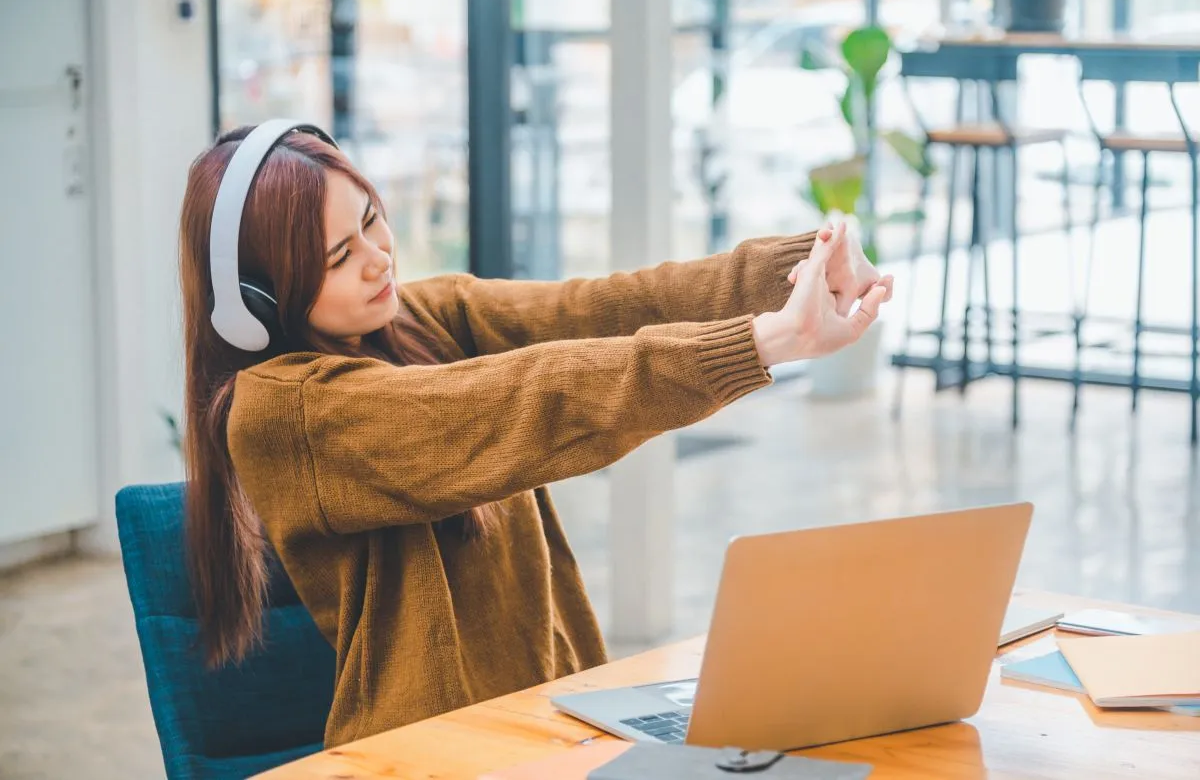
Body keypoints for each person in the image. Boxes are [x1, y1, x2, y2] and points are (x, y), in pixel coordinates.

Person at [179, 124, 894, 748]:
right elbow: (524, 399)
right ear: (257, 300)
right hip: (429, 753)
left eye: (371, 219)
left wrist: (794, 271)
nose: (378, 257)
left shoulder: (415, 321)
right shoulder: (284, 415)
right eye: (339, 256)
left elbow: (603, 309)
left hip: (556, 720)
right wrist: (759, 344)